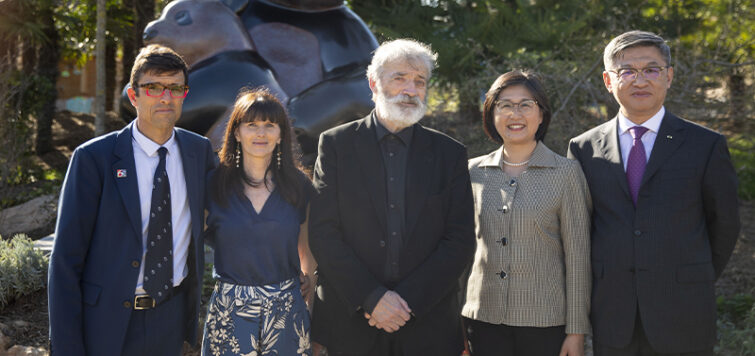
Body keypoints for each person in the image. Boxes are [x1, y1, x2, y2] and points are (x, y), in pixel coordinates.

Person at [567, 30, 741, 356]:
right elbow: (579, 231)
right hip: (613, 314)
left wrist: (691, 275)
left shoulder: (705, 145)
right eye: (627, 71)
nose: (640, 80)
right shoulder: (583, 148)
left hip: (684, 311)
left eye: (651, 69)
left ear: (669, 76)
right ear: (608, 80)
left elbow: (725, 225)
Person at [308, 38, 475, 356]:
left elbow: (459, 240)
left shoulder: (450, 154)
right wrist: (371, 298)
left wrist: (406, 302)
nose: (410, 89)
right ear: (374, 83)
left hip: (428, 325)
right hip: (351, 322)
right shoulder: (336, 145)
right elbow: (323, 232)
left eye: (419, 81)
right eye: (399, 77)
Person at [48, 44, 216, 355]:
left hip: (170, 318)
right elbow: (65, 261)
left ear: (184, 94)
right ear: (133, 95)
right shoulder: (94, 158)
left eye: (175, 88)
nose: (166, 97)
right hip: (105, 323)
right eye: (153, 87)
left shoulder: (199, 152)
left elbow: (228, 218)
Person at [461, 70, 591, 356]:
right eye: (505, 104)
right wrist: (456, 328)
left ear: (541, 115)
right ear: (491, 114)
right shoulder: (471, 172)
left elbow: (579, 259)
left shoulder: (567, 174)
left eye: (525, 105)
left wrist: (576, 332)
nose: (514, 114)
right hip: (481, 321)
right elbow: (459, 253)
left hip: (545, 326)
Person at [201, 87, 316, 356]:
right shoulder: (214, 185)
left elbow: (307, 252)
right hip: (229, 313)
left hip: (286, 312)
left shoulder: (299, 186)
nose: (261, 133)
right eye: (251, 124)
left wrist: (309, 289)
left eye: (270, 125)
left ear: (281, 135)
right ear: (237, 133)